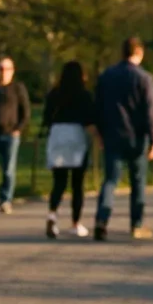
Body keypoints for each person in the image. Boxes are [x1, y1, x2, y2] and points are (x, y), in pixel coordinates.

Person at [93, 37, 153, 241]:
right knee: (137, 182)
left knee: (111, 180)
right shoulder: (144, 78)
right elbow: (150, 111)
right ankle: (136, 224)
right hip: (137, 137)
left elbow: (99, 108)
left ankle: (101, 221)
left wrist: (100, 134)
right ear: (139, 53)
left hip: (113, 135)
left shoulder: (107, 76)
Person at [42, 61, 99, 238]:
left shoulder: (54, 94)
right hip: (76, 137)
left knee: (59, 181)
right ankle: (75, 223)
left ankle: (52, 215)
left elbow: (46, 118)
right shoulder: (84, 95)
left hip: (58, 135)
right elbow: (90, 120)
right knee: (77, 183)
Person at [0, 56, 30, 214]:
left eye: (7, 69)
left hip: (10, 134)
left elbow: (25, 111)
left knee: (8, 169)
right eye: (1, 69)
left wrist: (19, 128)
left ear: (12, 71)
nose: (4, 73)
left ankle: (6, 200)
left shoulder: (17, 88)